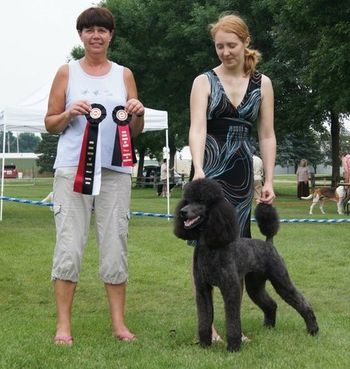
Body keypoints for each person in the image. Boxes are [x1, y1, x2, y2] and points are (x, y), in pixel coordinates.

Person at [45, 7, 144, 345]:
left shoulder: (124, 74)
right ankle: (63, 325)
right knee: (69, 246)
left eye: (102, 30)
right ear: (81, 36)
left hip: (116, 171)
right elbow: (49, 122)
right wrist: (68, 113)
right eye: (89, 30)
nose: (96, 35)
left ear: (111, 35)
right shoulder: (66, 73)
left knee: (115, 245)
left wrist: (138, 113)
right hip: (73, 169)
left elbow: (135, 128)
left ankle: (119, 324)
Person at [189, 13, 276, 341]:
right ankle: (207, 328)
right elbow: (197, 127)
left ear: (245, 42)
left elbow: (267, 135)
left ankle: (233, 328)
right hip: (209, 172)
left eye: (231, 45)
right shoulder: (203, 81)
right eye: (219, 46)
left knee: (235, 247)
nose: (225, 52)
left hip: (242, 174)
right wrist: (198, 169)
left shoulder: (263, 83)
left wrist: (267, 180)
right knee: (203, 247)